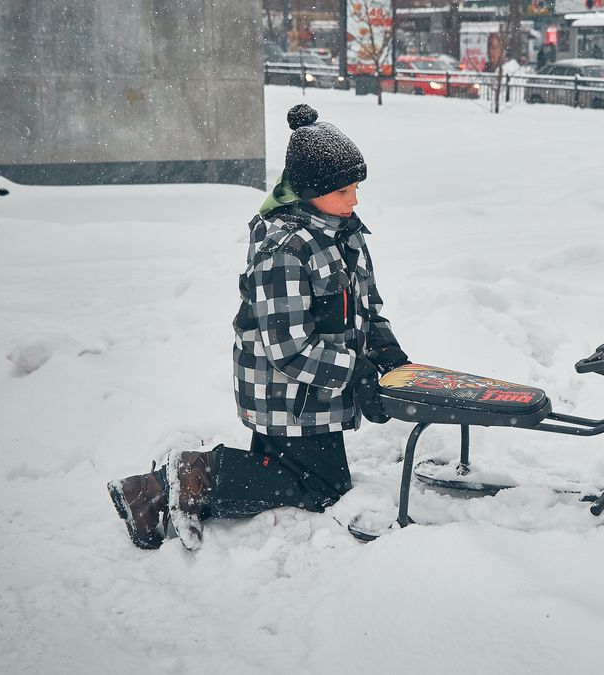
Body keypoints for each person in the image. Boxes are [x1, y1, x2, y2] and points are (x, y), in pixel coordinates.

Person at [107, 104, 410, 551]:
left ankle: (182, 480)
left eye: (357, 188)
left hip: (313, 389)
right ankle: (186, 476)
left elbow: (367, 305)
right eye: (345, 191)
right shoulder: (285, 251)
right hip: (286, 392)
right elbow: (288, 349)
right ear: (310, 191)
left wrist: (386, 353)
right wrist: (356, 374)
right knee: (320, 488)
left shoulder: (344, 234)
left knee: (290, 471)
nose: (355, 200)